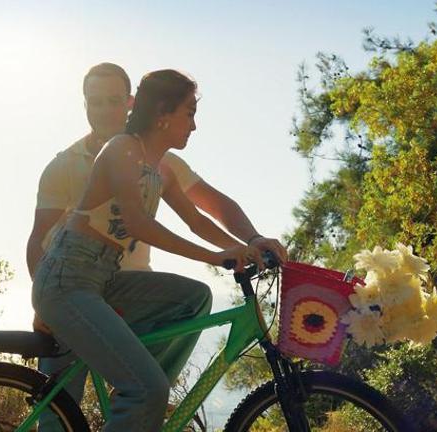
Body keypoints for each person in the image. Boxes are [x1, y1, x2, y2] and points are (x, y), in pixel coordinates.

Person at [28, 64, 287, 430]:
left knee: (190, 303)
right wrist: (213, 257)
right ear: (163, 113)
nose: (194, 125)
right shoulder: (121, 150)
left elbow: (198, 220)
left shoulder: (160, 167)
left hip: (103, 279)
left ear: (131, 102)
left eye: (114, 101)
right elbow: (137, 223)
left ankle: (136, 403)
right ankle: (139, 396)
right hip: (67, 280)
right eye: (189, 113)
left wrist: (250, 246)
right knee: (105, 402)